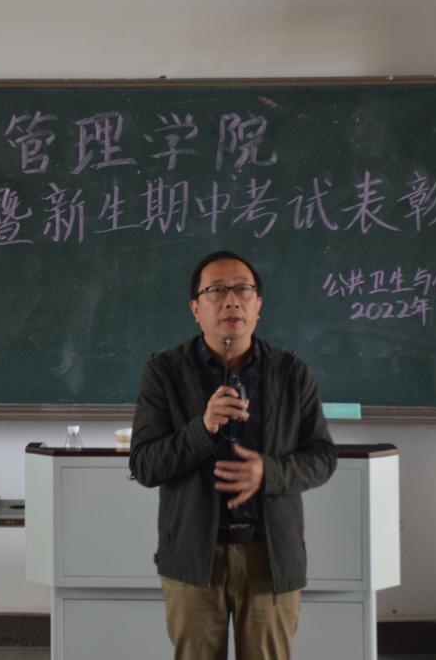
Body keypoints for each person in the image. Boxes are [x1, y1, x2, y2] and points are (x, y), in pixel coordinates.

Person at [129, 250, 337, 660]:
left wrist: (268, 473)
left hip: (270, 556)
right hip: (193, 558)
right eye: (216, 290)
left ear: (258, 305)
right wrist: (203, 427)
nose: (231, 300)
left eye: (243, 289)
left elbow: (322, 457)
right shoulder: (164, 373)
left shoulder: (292, 373)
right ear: (195, 307)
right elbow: (145, 465)